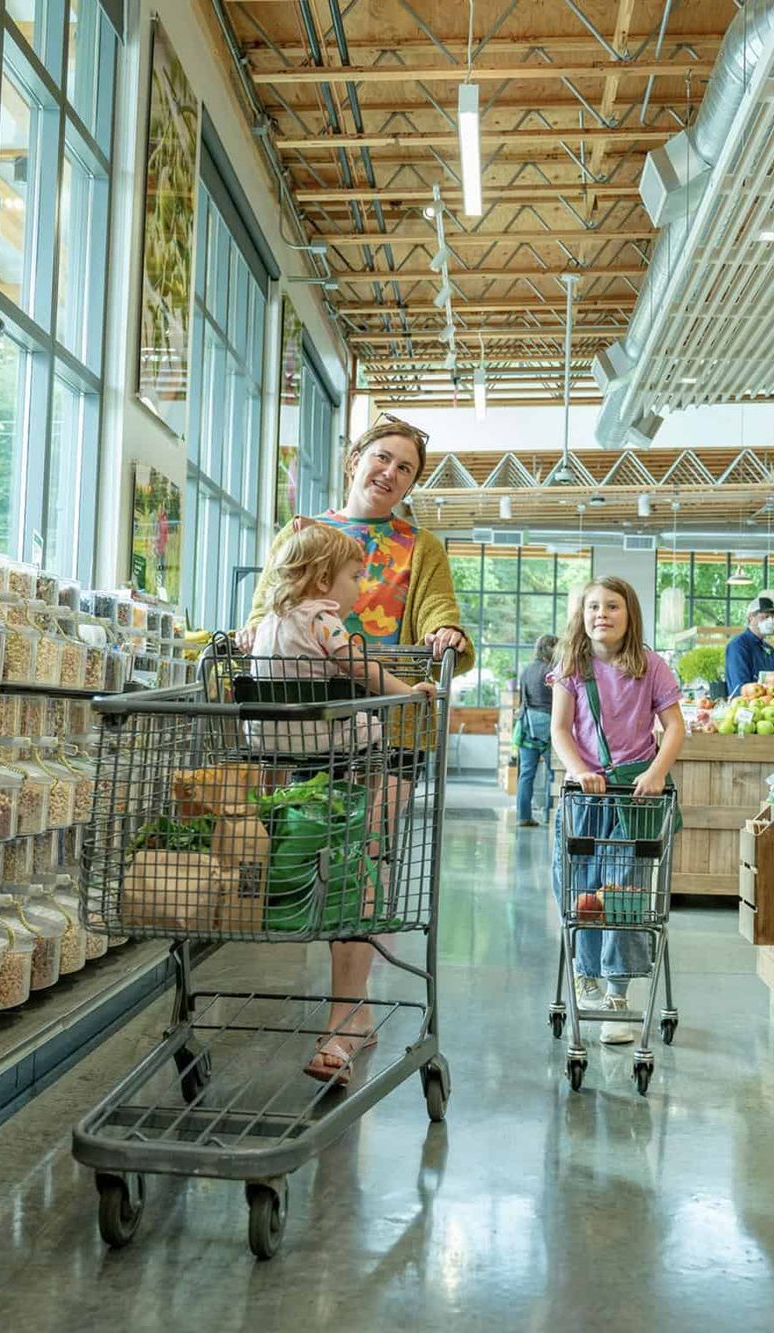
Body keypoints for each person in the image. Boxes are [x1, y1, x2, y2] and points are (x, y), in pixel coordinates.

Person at [237, 415, 473, 1085]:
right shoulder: (304, 530)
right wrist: (242, 638)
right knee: (298, 854)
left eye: (406, 468)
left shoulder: (418, 545)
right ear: (354, 459)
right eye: (383, 457)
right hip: (301, 726)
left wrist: (447, 632)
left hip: (385, 729)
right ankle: (359, 1010)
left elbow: (438, 610)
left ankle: (340, 1024)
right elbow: (264, 609)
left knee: (362, 856)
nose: (391, 473)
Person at [549, 576, 685, 1042]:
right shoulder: (571, 665)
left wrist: (657, 771)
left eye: (612, 606)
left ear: (630, 616)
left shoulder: (651, 666)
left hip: (635, 796)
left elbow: (675, 728)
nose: (601, 614)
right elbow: (561, 730)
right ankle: (585, 975)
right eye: (592, 607)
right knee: (583, 891)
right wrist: (579, 769)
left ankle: (617, 991)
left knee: (624, 894)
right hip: (584, 795)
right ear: (581, 615)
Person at [250, 523, 436, 755]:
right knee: (373, 726)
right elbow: (359, 669)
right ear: (323, 579)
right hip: (311, 735)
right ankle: (358, 791)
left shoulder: (269, 621)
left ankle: (270, 790)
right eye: (355, 577)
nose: (360, 587)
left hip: (262, 735)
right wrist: (409, 693)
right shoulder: (321, 619)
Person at [515, 634, 558, 827]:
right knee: (554, 773)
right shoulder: (552, 671)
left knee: (526, 774)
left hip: (526, 727)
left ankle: (523, 816)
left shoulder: (526, 671)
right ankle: (551, 814)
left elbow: (521, 700)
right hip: (550, 730)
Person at [725, 595, 774, 697]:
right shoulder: (738, 646)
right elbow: (739, 688)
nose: (771, 621)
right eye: (765, 616)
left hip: (769, 706)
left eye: (772, 617)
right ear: (751, 617)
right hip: (745, 708)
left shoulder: (770, 650)